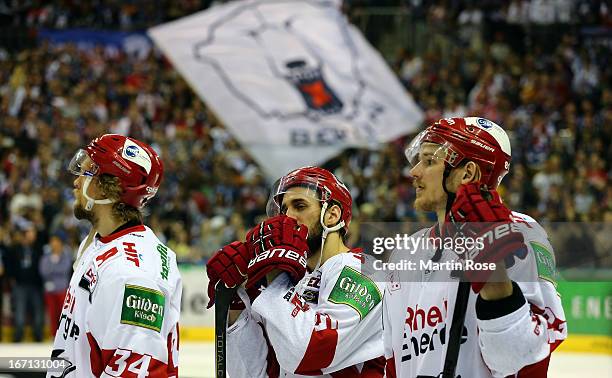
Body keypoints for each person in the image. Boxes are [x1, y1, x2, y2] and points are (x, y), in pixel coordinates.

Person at [383, 117, 567, 377]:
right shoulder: (406, 251)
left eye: (429, 161)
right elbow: (394, 360)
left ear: (467, 174)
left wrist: (494, 275)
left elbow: (520, 361)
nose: (414, 172)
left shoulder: (519, 235)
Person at [206, 166, 386, 377]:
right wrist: (237, 301)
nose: (287, 217)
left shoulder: (363, 271)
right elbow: (257, 374)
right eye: (284, 210)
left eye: (300, 206)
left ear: (333, 215)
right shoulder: (293, 282)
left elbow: (310, 353)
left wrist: (274, 275)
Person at [48, 134, 181, 377]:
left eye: (87, 172)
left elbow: (137, 370)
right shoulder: (96, 244)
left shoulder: (132, 274)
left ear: (109, 185)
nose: (76, 181)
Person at [39, 232, 73, 338]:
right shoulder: (46, 256)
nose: (54, 243)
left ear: (61, 243)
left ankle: (64, 336)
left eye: (56, 241)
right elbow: (43, 271)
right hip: (49, 290)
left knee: (63, 314)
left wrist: (52, 267)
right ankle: (53, 335)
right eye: (52, 241)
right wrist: (56, 268)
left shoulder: (66, 255)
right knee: (52, 314)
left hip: (62, 289)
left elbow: (65, 269)